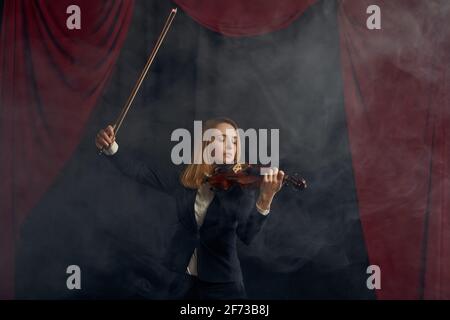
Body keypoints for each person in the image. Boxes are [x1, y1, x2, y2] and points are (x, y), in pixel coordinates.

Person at [95, 117, 284, 299]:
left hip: (222, 282)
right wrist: (112, 148)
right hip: (180, 277)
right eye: (221, 139)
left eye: (234, 142)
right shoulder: (185, 181)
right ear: (205, 144)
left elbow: (247, 235)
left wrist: (266, 198)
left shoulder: (240, 188)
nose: (229, 147)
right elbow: (141, 172)